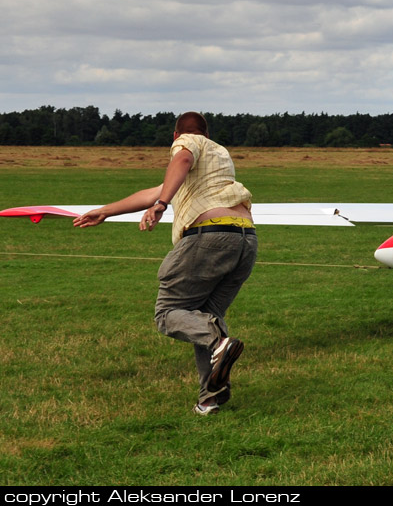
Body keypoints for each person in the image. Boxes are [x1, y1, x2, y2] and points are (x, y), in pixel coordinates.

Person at [73, 112, 256, 415]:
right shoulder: (218, 157)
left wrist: (161, 206)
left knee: (168, 313)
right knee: (206, 316)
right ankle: (210, 396)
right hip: (245, 240)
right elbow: (156, 190)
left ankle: (218, 342)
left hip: (209, 238)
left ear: (175, 136)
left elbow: (178, 165)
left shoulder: (186, 144)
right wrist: (105, 211)